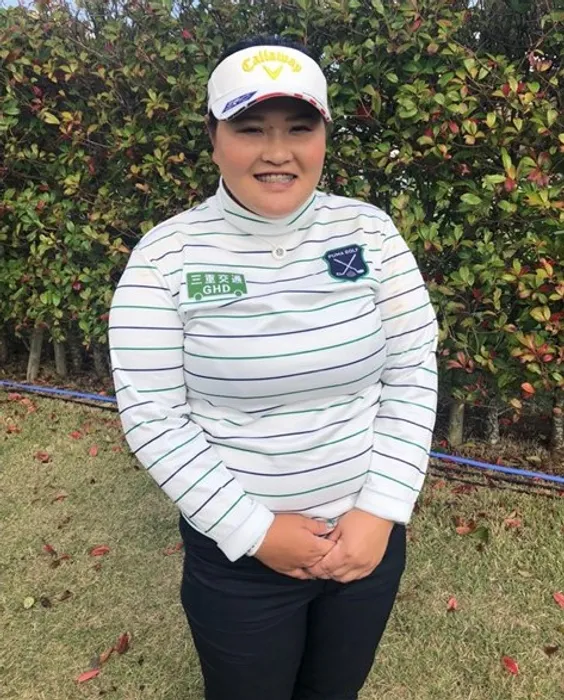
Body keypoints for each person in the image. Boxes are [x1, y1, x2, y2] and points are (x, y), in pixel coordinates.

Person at [109, 35, 438, 700]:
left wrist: (380, 512)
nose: (278, 152)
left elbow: (412, 371)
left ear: (324, 137)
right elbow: (154, 416)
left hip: (365, 545)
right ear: (214, 138)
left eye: (299, 128)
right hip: (239, 562)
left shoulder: (370, 233)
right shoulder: (165, 257)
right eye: (251, 128)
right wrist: (254, 531)